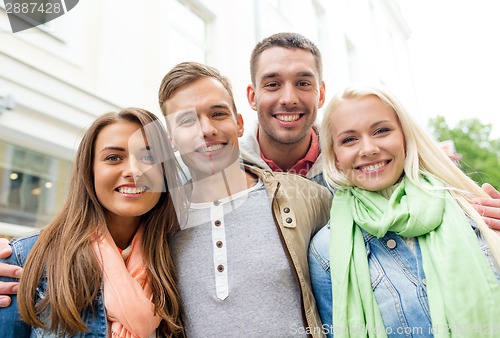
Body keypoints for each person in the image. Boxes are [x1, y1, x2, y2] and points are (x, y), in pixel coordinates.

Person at [308, 85, 500, 337]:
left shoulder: (472, 210)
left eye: (381, 131)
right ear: (335, 157)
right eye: (349, 139)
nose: (368, 149)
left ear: (405, 139)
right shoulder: (326, 249)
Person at [158, 61, 332, 337]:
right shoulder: (158, 224)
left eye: (217, 113)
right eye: (187, 120)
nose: (206, 130)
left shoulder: (309, 198)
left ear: (239, 124)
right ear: (171, 140)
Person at [0, 108, 184, 337]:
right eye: (114, 158)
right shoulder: (24, 259)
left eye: (148, 158)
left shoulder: (180, 259)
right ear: (90, 171)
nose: (133, 171)